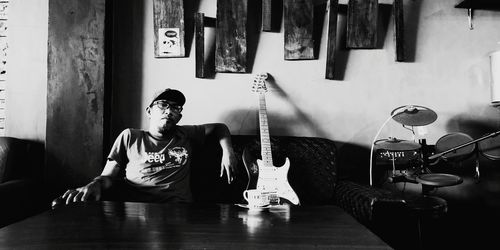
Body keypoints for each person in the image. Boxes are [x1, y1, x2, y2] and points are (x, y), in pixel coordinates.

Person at [60, 88, 237, 204]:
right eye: (163, 105)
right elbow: (107, 176)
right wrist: (94, 184)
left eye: (176, 108)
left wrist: (228, 153)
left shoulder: (185, 134)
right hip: (137, 211)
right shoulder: (130, 136)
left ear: (179, 117)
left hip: (179, 210)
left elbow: (219, 128)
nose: (169, 111)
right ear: (149, 111)